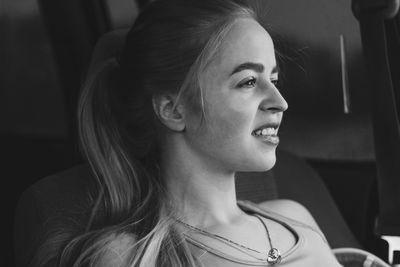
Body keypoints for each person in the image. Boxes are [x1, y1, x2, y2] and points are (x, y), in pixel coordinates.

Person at [35, 0, 345, 266]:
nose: (280, 102)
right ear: (173, 110)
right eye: (248, 82)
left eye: (274, 80)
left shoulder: (294, 218)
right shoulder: (129, 256)